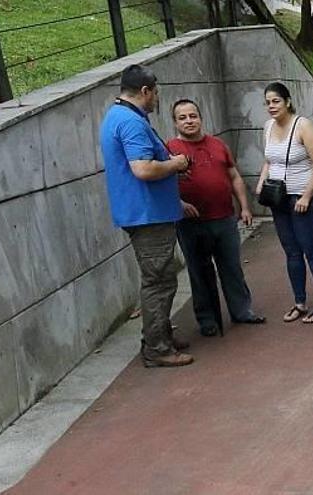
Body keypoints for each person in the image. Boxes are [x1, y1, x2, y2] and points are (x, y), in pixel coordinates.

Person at [99, 64, 193, 368]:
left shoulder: (120, 116)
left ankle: (160, 335)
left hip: (146, 213)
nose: (156, 100)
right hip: (147, 216)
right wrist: (176, 164)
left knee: (161, 278)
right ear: (145, 91)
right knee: (159, 281)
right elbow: (143, 168)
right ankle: (157, 347)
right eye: (155, 94)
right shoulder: (131, 122)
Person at [167, 99, 266, 337]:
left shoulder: (218, 144)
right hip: (190, 224)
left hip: (224, 219)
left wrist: (244, 206)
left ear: (200, 118)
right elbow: (162, 184)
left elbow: (234, 177)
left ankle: (242, 311)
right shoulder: (169, 149)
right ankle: (207, 320)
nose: (189, 121)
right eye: (183, 118)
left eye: (193, 116)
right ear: (175, 122)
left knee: (232, 268)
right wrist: (180, 204)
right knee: (200, 273)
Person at [256, 82, 313, 324]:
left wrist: (307, 196)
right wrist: (261, 183)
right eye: (267, 102)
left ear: (288, 101)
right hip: (278, 198)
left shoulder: (303, 126)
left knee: (312, 251)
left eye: (276, 101)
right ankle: (299, 302)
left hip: (302, 198)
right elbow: (269, 160)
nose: (271, 106)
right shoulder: (268, 127)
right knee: (291, 252)